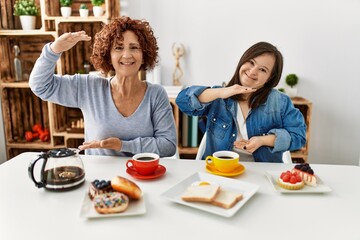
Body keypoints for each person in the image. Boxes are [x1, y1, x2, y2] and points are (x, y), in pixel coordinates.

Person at [29, 17, 177, 157]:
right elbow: (40, 86)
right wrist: (54, 50)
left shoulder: (156, 94)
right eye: (118, 48)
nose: (126, 55)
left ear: (144, 54)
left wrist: (122, 145)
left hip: (143, 178)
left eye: (134, 48)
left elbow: (168, 146)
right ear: (108, 55)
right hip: (99, 180)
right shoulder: (89, 87)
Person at [176, 42, 306, 162]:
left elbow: (298, 136)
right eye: (251, 62)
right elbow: (182, 101)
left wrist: (263, 140)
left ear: (270, 78)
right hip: (219, 170)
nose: (253, 71)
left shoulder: (280, 102)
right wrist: (222, 92)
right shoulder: (219, 96)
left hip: (261, 173)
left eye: (263, 70)